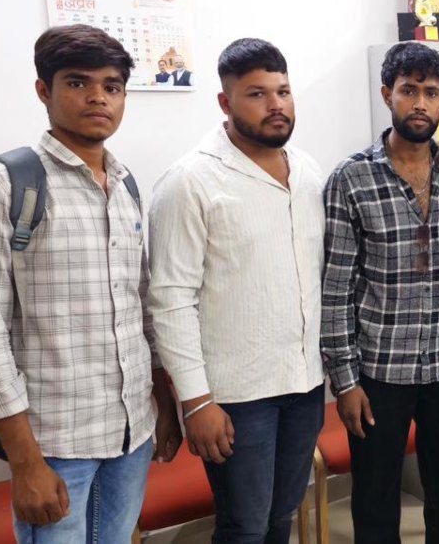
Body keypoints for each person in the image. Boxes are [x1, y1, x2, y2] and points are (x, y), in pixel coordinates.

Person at [0, 24, 180, 543]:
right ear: (44, 90)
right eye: (78, 82)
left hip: (131, 432)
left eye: (112, 86)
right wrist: (24, 462)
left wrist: (163, 403)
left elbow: (141, 306)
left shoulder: (125, 184)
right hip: (54, 443)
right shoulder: (0, 186)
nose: (98, 97)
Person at [149, 38, 325, 541]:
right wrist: (196, 402)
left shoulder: (308, 171)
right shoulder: (189, 181)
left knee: (281, 515)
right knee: (244, 526)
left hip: (305, 383)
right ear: (225, 102)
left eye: (283, 91)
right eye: (257, 94)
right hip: (236, 397)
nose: (276, 105)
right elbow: (170, 299)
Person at [322, 41, 439, 543]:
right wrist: (345, 383)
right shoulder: (351, 179)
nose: (420, 103)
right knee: (375, 500)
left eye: (431, 92)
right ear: (387, 93)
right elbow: (336, 289)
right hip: (379, 371)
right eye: (409, 91)